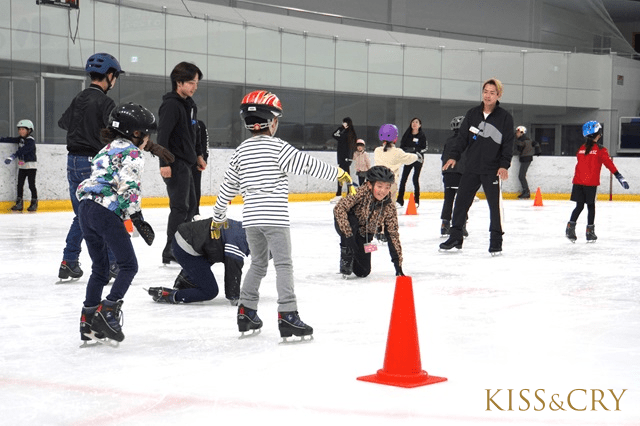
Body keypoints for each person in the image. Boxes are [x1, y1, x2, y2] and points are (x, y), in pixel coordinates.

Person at [212, 90, 355, 341]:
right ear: (272, 121)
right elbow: (309, 164)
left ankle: (246, 311)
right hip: (275, 219)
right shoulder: (279, 148)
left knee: (258, 264)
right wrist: (340, 174)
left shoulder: (240, 152)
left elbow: (227, 187)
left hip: (252, 221)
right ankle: (288, 314)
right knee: (283, 265)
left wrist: (217, 216)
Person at [77, 102, 174, 346]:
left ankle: (87, 319)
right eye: (146, 133)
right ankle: (108, 311)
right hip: (106, 211)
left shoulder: (106, 149)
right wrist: (137, 217)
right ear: (136, 133)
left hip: (85, 209)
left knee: (100, 268)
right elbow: (129, 187)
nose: (148, 138)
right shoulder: (132, 153)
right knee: (128, 266)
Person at [58, 52, 124, 281]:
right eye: (115, 76)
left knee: (82, 215)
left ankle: (69, 261)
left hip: (72, 162)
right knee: (102, 214)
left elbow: (64, 122)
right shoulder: (106, 102)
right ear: (109, 75)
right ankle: (112, 264)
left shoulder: (79, 98)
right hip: (92, 164)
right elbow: (114, 132)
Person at [440, 78, 514, 255]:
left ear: (499, 95)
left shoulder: (504, 117)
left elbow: (508, 143)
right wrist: (453, 157)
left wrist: (504, 165)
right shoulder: (472, 114)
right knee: (460, 203)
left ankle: (496, 240)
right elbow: (462, 138)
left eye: (492, 92)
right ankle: (456, 237)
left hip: (492, 169)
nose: (488, 96)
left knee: (495, 207)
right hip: (471, 167)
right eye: (485, 92)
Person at [158, 61, 206, 265]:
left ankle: (183, 246)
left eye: (196, 82)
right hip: (175, 164)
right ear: (179, 82)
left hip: (188, 164)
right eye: (191, 82)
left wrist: (198, 155)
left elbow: (193, 133)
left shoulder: (190, 105)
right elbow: (163, 136)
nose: (195, 86)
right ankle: (171, 250)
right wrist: (164, 162)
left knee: (191, 208)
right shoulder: (171, 105)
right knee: (179, 208)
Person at [146, 218, 249, 305]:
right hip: (185, 247)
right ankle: (170, 295)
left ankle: (186, 279)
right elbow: (233, 268)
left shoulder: (243, 229)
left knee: (215, 248)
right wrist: (234, 296)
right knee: (210, 291)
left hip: (187, 239)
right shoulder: (240, 240)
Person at [333, 165, 404, 278]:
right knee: (352, 222)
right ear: (369, 185)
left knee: (363, 271)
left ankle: (355, 250)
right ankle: (346, 257)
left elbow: (393, 234)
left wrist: (398, 266)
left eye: (387, 187)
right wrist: (348, 237)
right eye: (379, 186)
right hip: (347, 226)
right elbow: (339, 208)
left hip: (364, 235)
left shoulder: (389, 206)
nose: (383, 191)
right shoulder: (360, 193)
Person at [565, 120, 629, 243]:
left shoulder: (581, 148)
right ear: (598, 134)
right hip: (590, 183)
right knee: (591, 207)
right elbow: (608, 164)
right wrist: (619, 176)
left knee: (579, 206)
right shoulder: (600, 149)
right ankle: (590, 232)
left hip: (578, 182)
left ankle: (570, 229)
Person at [373, 124, 422, 203]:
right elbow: (408, 158)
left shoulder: (377, 150)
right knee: (390, 206)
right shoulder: (397, 152)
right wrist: (417, 156)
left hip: (377, 183)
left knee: (378, 205)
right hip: (390, 184)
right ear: (395, 138)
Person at [2, 119, 38, 212]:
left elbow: (24, 150)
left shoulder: (30, 141)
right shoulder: (20, 139)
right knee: (20, 185)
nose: (21, 131)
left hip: (31, 166)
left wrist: (13, 156)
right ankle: (19, 203)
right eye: (19, 129)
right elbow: (10, 139)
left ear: (29, 130)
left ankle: (34, 203)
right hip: (22, 166)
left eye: (23, 129)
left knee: (31, 185)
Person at [440, 115, 467, 237]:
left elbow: (443, 157)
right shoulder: (468, 141)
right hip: (462, 174)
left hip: (448, 174)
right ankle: (461, 225)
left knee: (448, 199)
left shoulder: (448, 141)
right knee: (462, 201)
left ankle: (445, 224)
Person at [396, 118, 428, 208]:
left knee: (415, 179)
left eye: (416, 122)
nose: (414, 124)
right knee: (403, 179)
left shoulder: (422, 135)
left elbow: (425, 148)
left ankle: (416, 201)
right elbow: (402, 146)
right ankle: (399, 200)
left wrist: (416, 150)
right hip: (408, 159)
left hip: (418, 159)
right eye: (413, 122)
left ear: (420, 125)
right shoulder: (407, 135)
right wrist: (406, 151)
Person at [331, 116, 357, 203]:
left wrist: (349, 158)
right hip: (341, 157)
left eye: (345, 123)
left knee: (342, 175)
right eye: (343, 123)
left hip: (347, 158)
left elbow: (352, 147)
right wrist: (341, 128)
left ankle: (341, 193)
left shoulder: (352, 134)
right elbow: (334, 135)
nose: (343, 124)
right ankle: (347, 192)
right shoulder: (343, 132)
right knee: (344, 175)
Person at [192, 120, 209, 217]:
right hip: (180, 163)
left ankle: (195, 212)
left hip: (196, 163)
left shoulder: (199, 124)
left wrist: (204, 158)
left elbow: (205, 143)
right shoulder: (178, 122)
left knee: (195, 187)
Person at [514, 125, 534, 199]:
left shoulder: (523, 140)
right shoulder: (523, 140)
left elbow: (519, 149)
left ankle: (526, 192)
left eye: (518, 132)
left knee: (521, 176)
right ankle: (525, 191)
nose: (517, 133)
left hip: (526, 159)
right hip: (525, 158)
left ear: (522, 133)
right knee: (521, 176)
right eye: (517, 132)